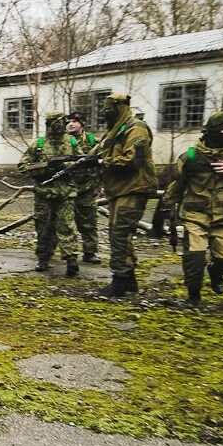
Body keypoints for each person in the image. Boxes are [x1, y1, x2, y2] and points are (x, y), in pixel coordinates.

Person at [164, 112, 223, 307]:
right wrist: (168, 211)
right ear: (211, 133)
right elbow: (176, 185)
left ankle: (216, 272)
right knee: (194, 257)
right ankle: (193, 297)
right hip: (195, 215)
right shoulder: (191, 156)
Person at [95, 93, 157, 296]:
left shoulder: (136, 128)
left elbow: (132, 161)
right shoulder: (116, 129)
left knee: (120, 234)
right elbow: (104, 154)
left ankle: (121, 280)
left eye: (108, 108)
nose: (105, 112)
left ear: (119, 107)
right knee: (117, 234)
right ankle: (127, 279)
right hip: (121, 189)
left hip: (134, 188)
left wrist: (104, 163)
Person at [19, 112, 81, 276]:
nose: (59, 126)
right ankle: (43, 258)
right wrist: (45, 167)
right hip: (44, 194)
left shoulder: (72, 142)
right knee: (44, 227)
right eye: (56, 122)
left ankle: (71, 259)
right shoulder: (39, 144)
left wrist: (68, 166)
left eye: (62, 122)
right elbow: (23, 167)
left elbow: (82, 163)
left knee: (67, 226)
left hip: (66, 192)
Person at [64, 111, 102, 264]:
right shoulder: (62, 141)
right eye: (68, 122)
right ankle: (68, 253)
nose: (70, 124)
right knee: (64, 222)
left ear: (82, 124)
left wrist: (101, 185)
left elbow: (102, 165)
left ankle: (90, 252)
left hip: (87, 188)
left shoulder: (93, 141)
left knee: (89, 222)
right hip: (66, 188)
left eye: (74, 121)